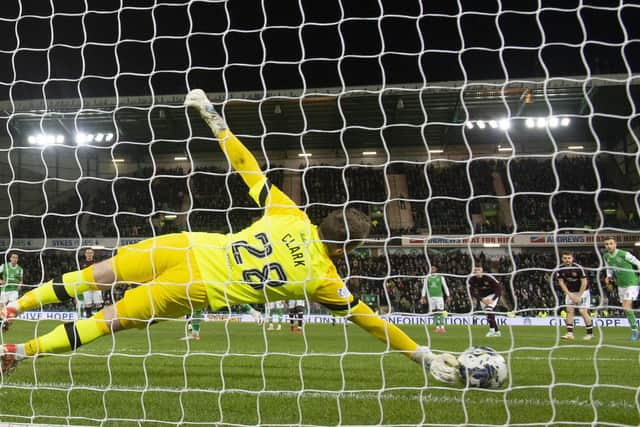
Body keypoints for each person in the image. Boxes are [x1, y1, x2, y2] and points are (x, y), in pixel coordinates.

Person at [0, 89, 459, 384]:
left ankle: (13, 305)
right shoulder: (325, 279)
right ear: (347, 248)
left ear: (325, 221)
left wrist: (214, 119)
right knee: (108, 320)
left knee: (95, 274)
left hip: (191, 243)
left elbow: (248, 168)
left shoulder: (291, 213)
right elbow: (373, 322)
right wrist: (419, 354)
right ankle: (17, 351)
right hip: (199, 286)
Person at [603, 236, 640, 342]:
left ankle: (634, 331)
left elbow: (638, 263)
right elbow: (609, 268)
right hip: (621, 284)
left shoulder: (624, 254)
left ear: (615, 244)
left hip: (632, 282)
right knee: (626, 309)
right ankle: (635, 330)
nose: (609, 246)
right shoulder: (606, 256)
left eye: (611, 243)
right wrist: (608, 276)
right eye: (607, 244)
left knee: (626, 306)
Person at [554, 251, 593, 340]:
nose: (567, 260)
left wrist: (579, 296)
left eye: (569, 258)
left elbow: (584, 282)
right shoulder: (560, 269)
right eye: (565, 258)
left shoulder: (578, 268)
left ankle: (590, 334)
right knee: (569, 311)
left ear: (572, 258)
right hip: (571, 292)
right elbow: (561, 282)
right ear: (562, 259)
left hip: (583, 291)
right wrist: (569, 294)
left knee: (582, 311)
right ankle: (570, 334)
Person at [468, 265, 502, 337]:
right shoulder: (472, 280)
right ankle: (497, 331)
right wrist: (481, 299)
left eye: (478, 270)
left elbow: (499, 289)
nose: (476, 272)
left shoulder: (489, 277)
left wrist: (493, 299)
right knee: (488, 314)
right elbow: (472, 292)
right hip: (482, 297)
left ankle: (491, 330)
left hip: (492, 295)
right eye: (475, 270)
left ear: (482, 270)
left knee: (488, 309)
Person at [420, 265, 450, 333]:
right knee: (434, 312)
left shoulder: (440, 277)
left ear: (436, 269)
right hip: (431, 297)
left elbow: (445, 286)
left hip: (439, 297)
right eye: (431, 268)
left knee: (440, 311)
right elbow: (424, 288)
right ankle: (437, 327)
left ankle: (442, 327)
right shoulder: (427, 278)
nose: (432, 269)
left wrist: (448, 296)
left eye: (433, 268)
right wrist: (423, 297)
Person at [79, 248, 103, 319]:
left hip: (96, 284)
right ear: (85, 254)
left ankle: (100, 317)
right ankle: (88, 316)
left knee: (98, 302)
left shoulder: (96, 262)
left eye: (90, 253)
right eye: (87, 253)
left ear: (93, 254)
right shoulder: (81, 263)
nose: (89, 254)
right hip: (86, 285)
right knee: (88, 302)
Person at [0, 253, 24, 317]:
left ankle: (8, 321)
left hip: (14, 290)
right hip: (4, 289)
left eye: (16, 258)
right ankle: (3, 321)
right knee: (3, 306)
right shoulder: (4, 266)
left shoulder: (20, 269)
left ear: (18, 259)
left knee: (12, 306)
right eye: (13, 257)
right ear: (10, 258)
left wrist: (20, 285)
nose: (15, 259)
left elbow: (21, 280)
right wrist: (1, 281)